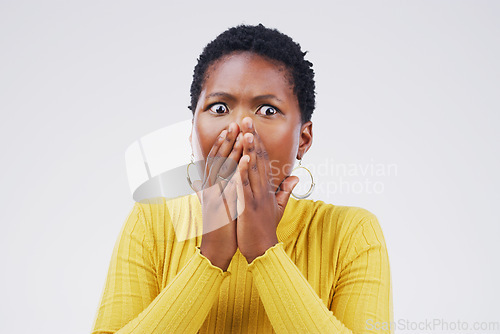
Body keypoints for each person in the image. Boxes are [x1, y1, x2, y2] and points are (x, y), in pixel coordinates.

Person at [91, 24, 393, 333]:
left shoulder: (353, 233)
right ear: (192, 131)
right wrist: (211, 255)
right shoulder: (151, 221)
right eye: (219, 107)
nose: (239, 128)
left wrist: (264, 249)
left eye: (267, 110)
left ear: (303, 139)